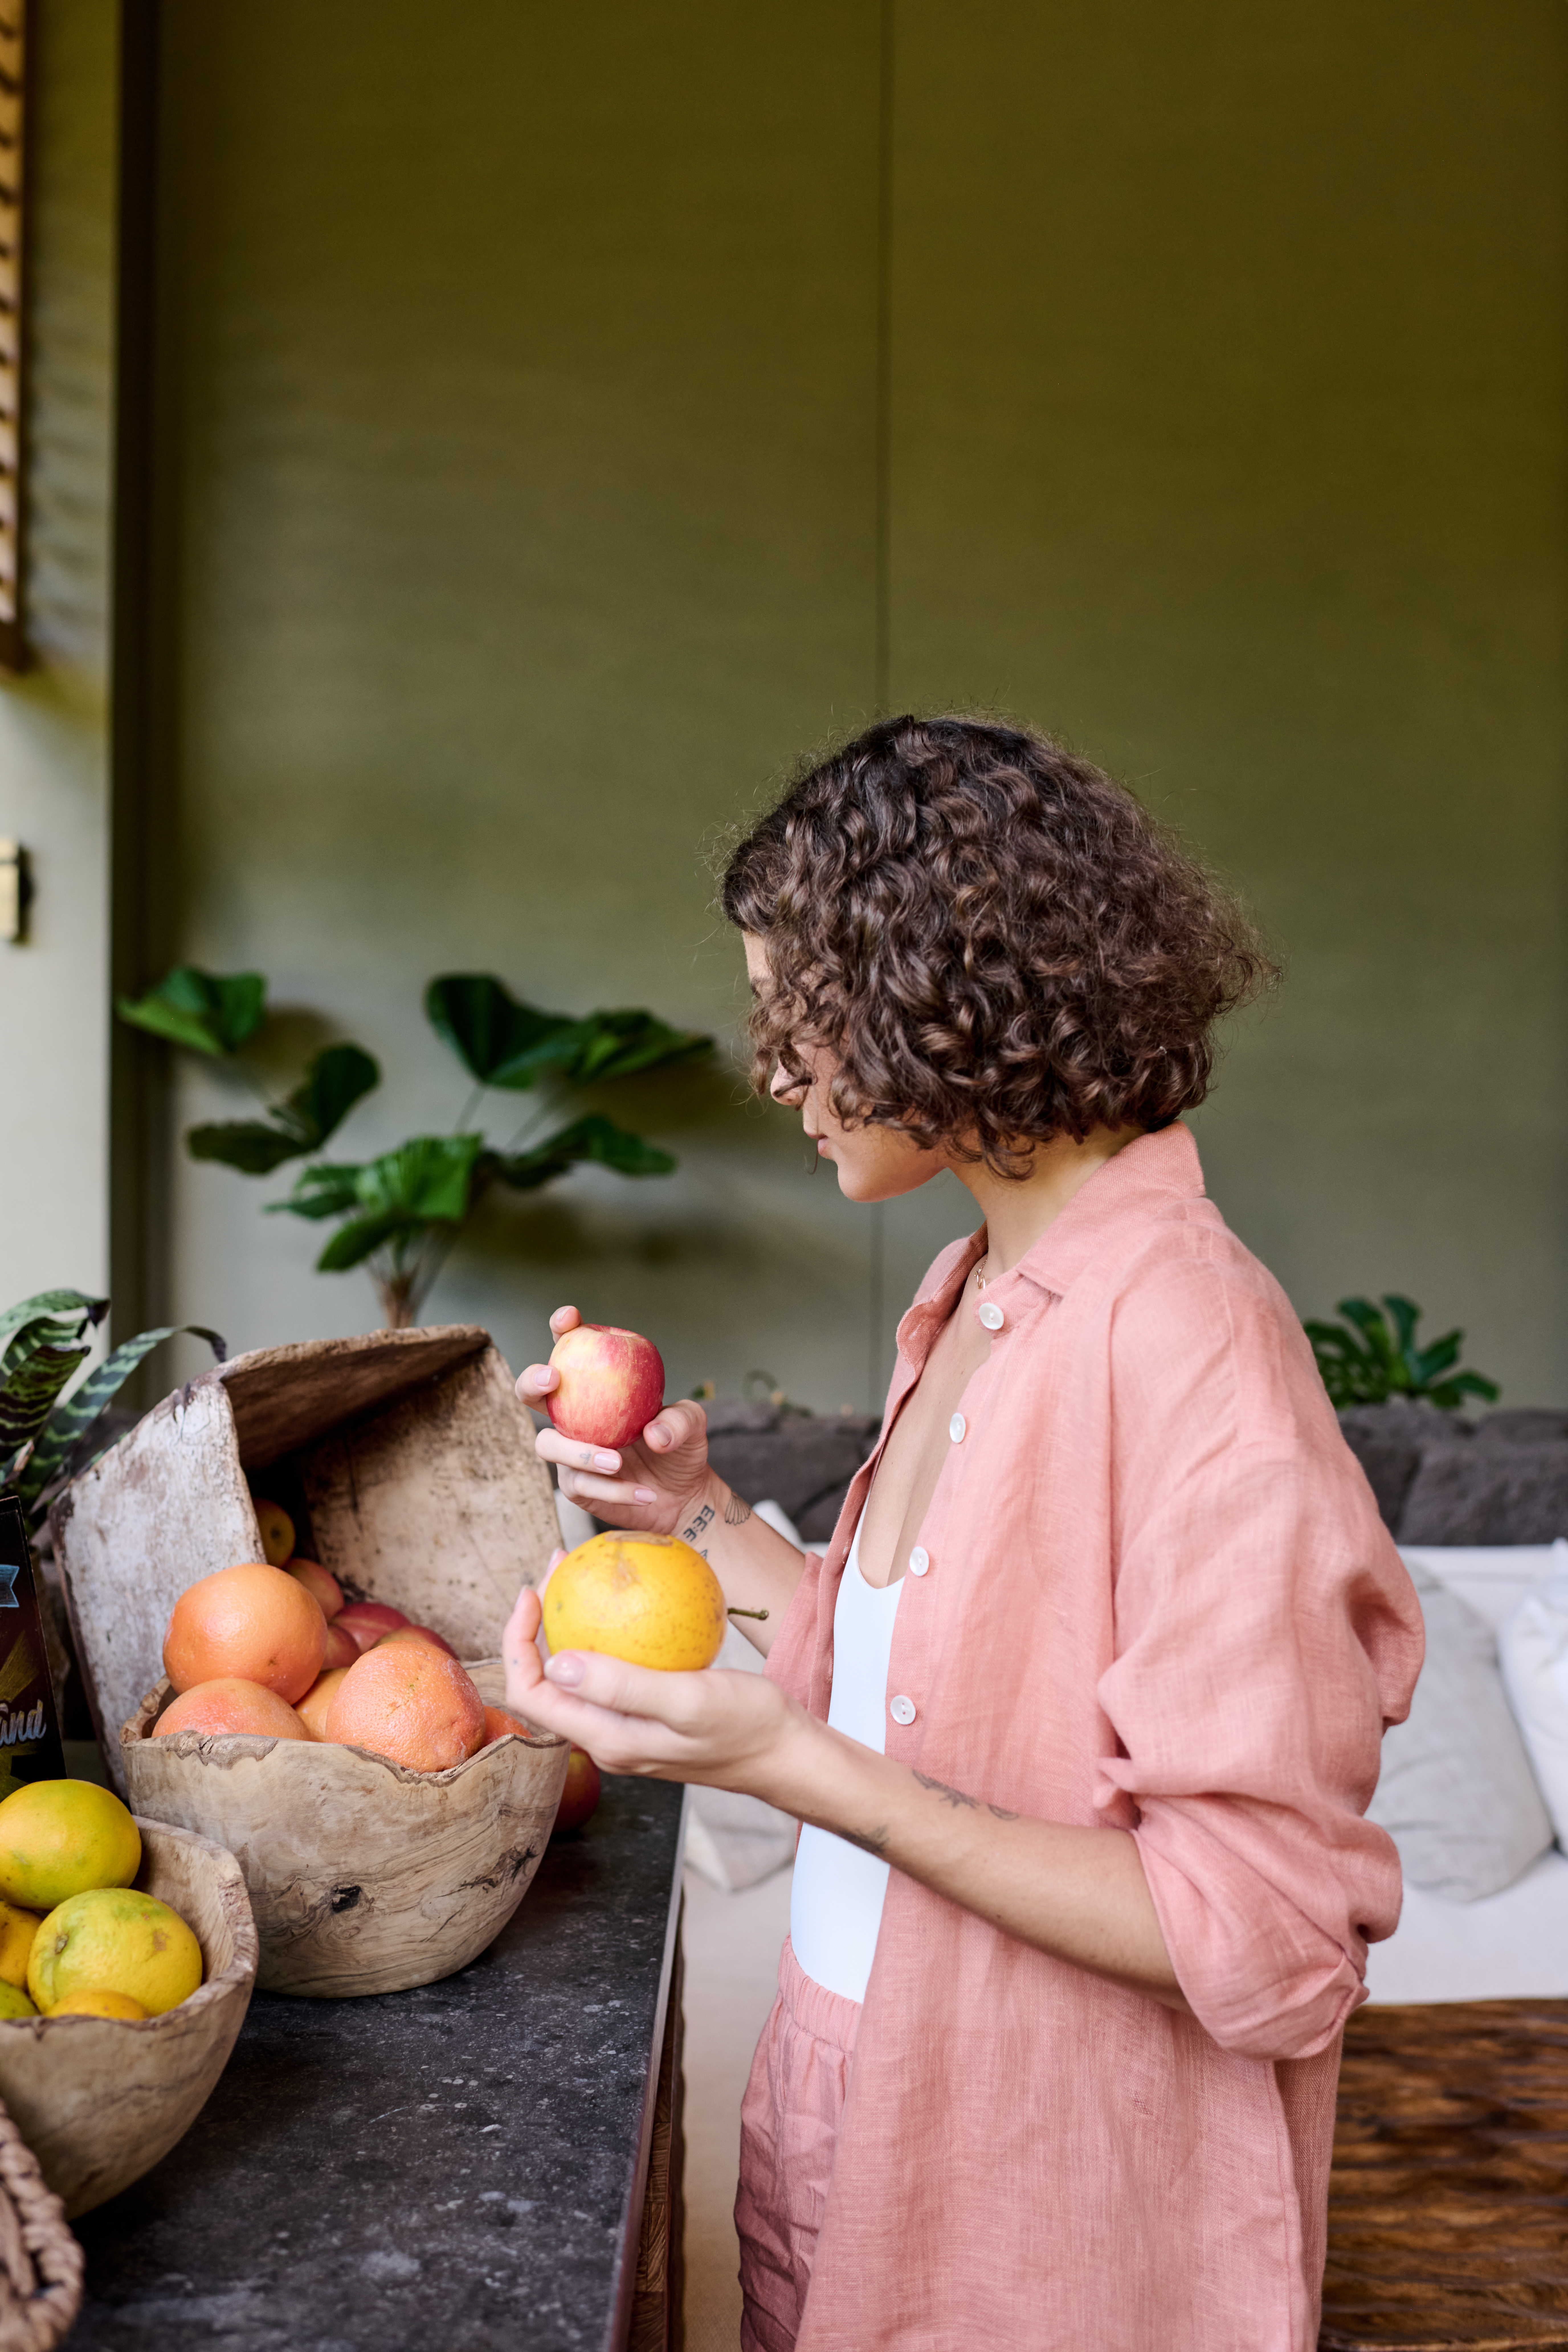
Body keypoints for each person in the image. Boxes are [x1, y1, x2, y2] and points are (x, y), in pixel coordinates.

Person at [504, 715, 1424, 2352]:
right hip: (851, 2095)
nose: (776, 1071)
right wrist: (690, 1518)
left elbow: (1268, 1937)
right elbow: (930, 1671)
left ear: (951, 986)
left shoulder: (1192, 1335)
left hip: (1040, 2204)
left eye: (803, 1018)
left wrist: (784, 1770)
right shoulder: (978, 1292)